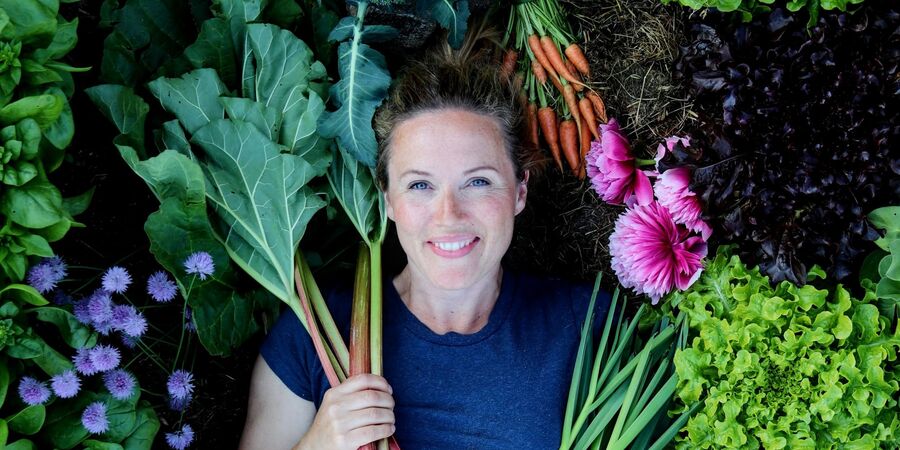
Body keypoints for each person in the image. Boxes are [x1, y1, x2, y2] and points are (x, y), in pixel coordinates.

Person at [239, 31, 610, 450]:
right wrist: (318, 445)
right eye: (419, 186)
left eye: (477, 181)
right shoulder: (313, 334)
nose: (448, 214)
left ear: (520, 191)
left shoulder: (588, 326)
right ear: (388, 200)